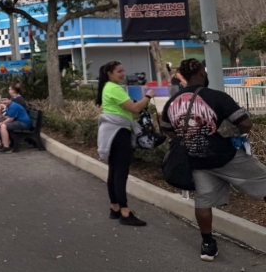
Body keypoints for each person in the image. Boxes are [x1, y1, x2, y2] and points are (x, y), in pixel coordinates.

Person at [161, 58, 266, 261]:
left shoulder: (172, 101)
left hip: (196, 161)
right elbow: (245, 123)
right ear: (201, 72)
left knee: (203, 201)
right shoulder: (217, 97)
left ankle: (207, 245)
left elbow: (167, 129)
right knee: (263, 180)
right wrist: (230, 133)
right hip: (226, 156)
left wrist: (189, 138)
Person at [96, 61, 155, 227]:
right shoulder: (114, 88)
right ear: (109, 73)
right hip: (119, 133)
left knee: (114, 172)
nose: (122, 74)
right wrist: (148, 96)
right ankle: (125, 212)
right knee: (120, 173)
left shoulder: (107, 87)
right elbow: (135, 109)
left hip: (112, 132)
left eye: (123, 71)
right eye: (119, 71)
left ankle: (114, 208)